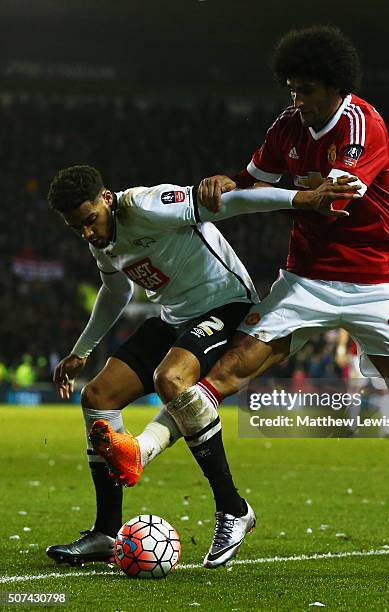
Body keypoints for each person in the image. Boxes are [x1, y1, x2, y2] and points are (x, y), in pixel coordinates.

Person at [107, 25, 389, 567]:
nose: (297, 100)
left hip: (377, 282)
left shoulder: (363, 124)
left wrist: (275, 194)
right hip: (305, 278)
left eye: (307, 89)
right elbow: (252, 179)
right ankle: (141, 450)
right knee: (222, 375)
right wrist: (223, 182)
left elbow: (332, 197)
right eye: (291, 88)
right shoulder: (287, 126)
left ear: (336, 86)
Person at [44, 164, 359, 569]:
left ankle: (233, 508)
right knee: (97, 396)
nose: (87, 233)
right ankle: (107, 533)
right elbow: (115, 289)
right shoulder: (100, 237)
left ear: (106, 199)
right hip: (175, 317)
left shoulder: (146, 205)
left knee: (170, 378)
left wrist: (305, 199)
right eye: (77, 228)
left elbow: (233, 201)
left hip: (226, 305)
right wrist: (82, 351)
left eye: (89, 221)